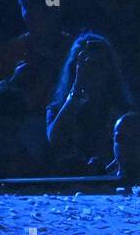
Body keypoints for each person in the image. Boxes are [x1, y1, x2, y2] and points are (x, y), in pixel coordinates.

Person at [46, 32, 132, 174]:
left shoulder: (122, 111)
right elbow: (56, 139)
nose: (94, 71)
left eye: (100, 65)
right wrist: (77, 89)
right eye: (88, 65)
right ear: (75, 68)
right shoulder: (58, 108)